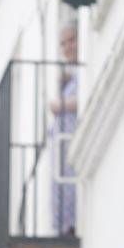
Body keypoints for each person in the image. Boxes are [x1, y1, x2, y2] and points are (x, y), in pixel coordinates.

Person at [49, 22, 78, 236]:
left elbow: (85, 99)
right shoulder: (69, 74)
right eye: (63, 44)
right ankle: (65, 225)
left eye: (72, 40)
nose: (68, 47)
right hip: (62, 143)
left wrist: (61, 104)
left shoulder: (84, 68)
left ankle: (71, 222)